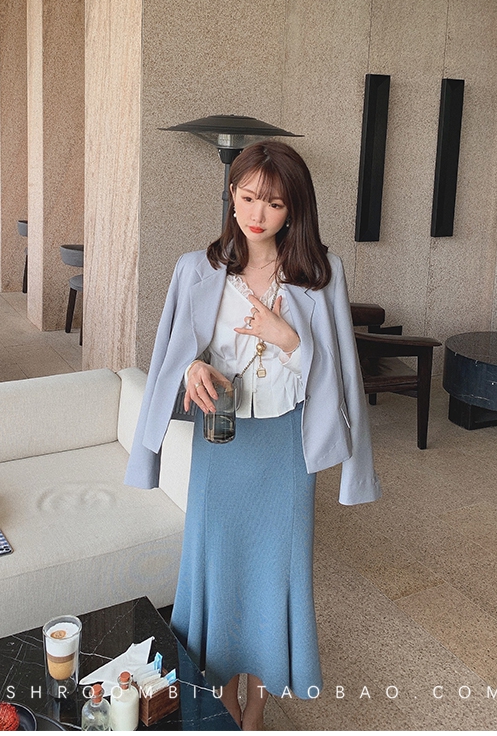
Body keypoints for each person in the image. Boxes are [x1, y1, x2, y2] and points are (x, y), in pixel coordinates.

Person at [125, 141, 381, 730]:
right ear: (232, 195)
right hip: (222, 441)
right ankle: (222, 698)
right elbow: (171, 353)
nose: (256, 213)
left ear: (294, 209)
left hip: (285, 446)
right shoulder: (196, 268)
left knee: (275, 573)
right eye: (246, 198)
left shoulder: (320, 273)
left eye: (273, 203)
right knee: (217, 570)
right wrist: (191, 370)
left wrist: (287, 337)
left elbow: (341, 370)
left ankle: (258, 704)